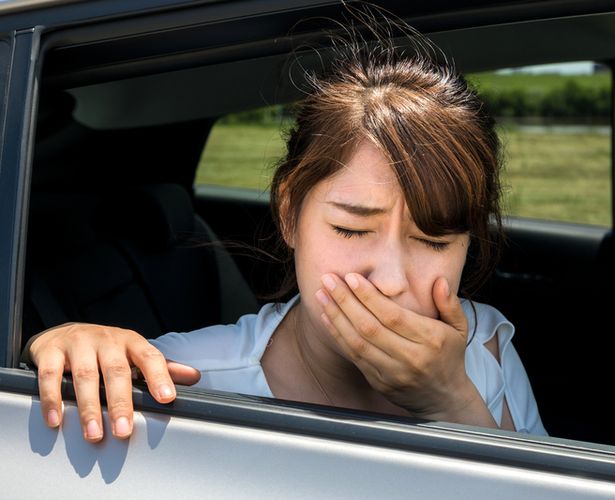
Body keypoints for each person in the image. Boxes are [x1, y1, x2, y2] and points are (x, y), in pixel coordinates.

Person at [25, 19, 546, 442]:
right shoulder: (185, 380)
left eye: (434, 240)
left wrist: (452, 400)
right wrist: (66, 344)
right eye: (350, 228)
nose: (390, 279)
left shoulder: (485, 348)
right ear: (290, 214)